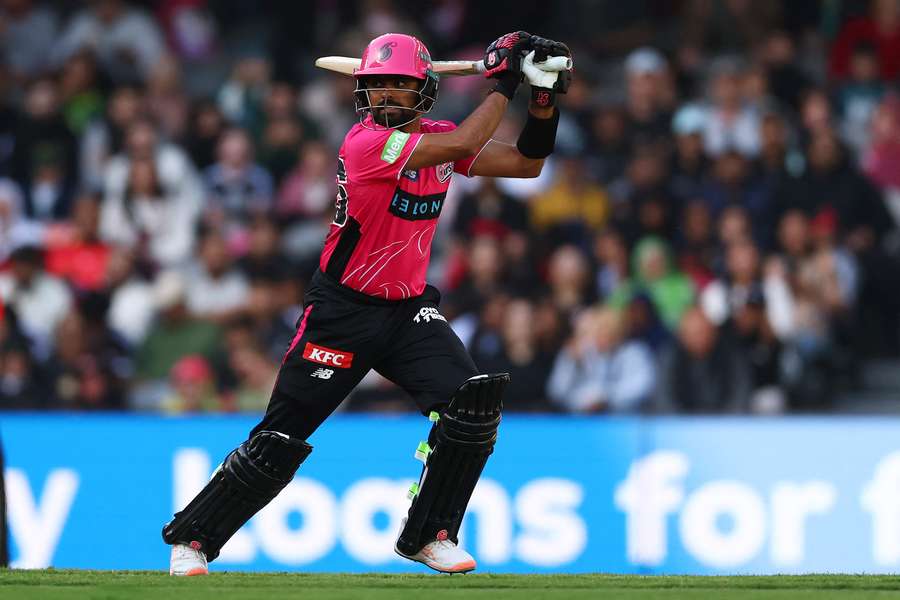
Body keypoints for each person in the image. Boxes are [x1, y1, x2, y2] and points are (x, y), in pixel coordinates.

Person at [162, 32, 572, 576]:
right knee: (281, 438)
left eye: (396, 87)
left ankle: (432, 534)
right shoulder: (365, 144)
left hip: (405, 312)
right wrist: (504, 82)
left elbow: (526, 164)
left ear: (423, 91)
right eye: (374, 87)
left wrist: (543, 99)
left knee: (470, 405)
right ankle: (192, 539)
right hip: (342, 310)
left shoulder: (439, 138)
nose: (383, 98)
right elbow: (460, 143)